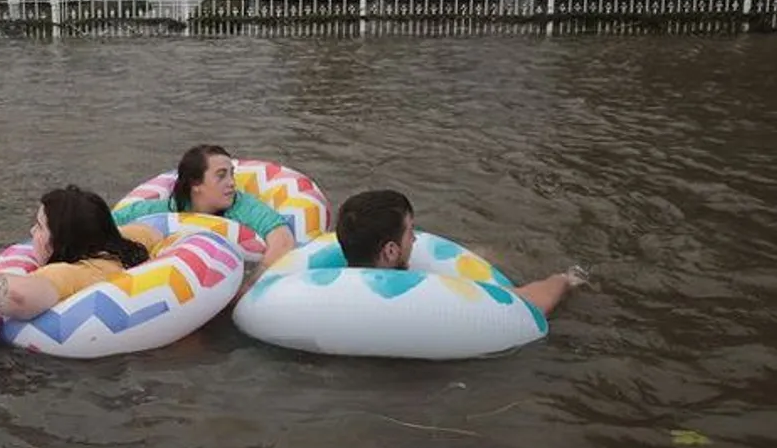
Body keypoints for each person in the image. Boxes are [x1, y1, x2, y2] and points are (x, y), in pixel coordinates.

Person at [0, 186, 163, 320]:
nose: (32, 231)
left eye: (40, 226)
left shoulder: (73, 274)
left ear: (62, 240)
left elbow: (19, 297)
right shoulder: (137, 239)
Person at [334, 189, 586, 316]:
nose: (415, 238)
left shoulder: (327, 291)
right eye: (410, 231)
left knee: (483, 253)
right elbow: (527, 305)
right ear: (390, 251)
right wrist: (564, 279)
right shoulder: (426, 296)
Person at [112, 145, 296, 295]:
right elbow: (109, 222)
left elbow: (283, 240)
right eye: (221, 175)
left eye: (232, 174)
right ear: (196, 184)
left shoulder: (242, 206)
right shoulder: (166, 210)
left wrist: (247, 287)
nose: (231, 182)